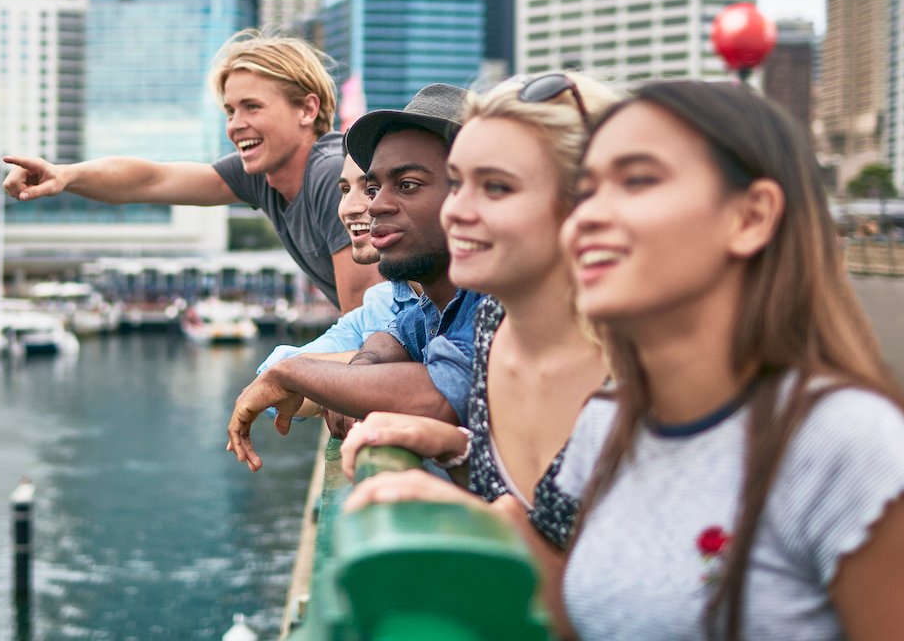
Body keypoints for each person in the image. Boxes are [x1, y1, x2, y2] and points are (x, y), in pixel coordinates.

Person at [551, 81, 904, 640]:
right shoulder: (604, 421)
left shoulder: (845, 441)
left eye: (638, 180)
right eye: (585, 190)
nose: (586, 217)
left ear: (751, 216)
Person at [341, 72, 618, 551]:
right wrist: (457, 451)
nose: (456, 211)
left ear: (584, 200)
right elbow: (549, 528)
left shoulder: (639, 360)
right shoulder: (498, 324)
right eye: (460, 183)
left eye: (495, 187)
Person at [2, 31, 381, 311]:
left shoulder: (332, 177)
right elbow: (151, 180)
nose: (235, 125)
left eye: (252, 107)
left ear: (307, 110)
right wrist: (65, 176)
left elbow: (368, 322)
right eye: (231, 111)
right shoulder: (261, 177)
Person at [227, 84, 486, 471]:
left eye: (407, 185)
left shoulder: (495, 298)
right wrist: (358, 375)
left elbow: (440, 393)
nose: (373, 205)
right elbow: (392, 340)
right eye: (374, 187)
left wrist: (296, 373)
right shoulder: (435, 306)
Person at [256, 153, 421, 376]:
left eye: (371, 189)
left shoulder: (475, 299)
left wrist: (344, 378)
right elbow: (274, 373)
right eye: (344, 190)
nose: (348, 208)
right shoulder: (380, 301)